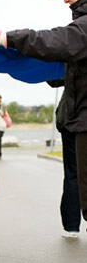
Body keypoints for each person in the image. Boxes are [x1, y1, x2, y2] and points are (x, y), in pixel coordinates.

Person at [0, 0, 87, 263]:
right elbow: (67, 64)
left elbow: (58, 41)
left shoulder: (83, 26)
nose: (65, 0)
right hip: (77, 122)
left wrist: (9, 37)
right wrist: (29, 64)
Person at [48, 81, 82, 238]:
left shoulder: (72, 56)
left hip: (72, 119)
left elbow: (53, 79)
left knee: (73, 174)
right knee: (73, 173)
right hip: (73, 120)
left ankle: (71, 226)